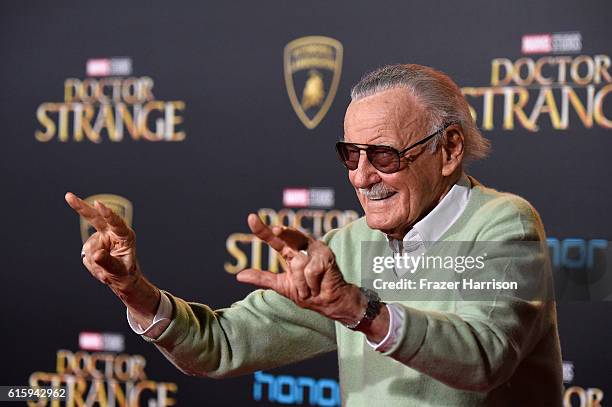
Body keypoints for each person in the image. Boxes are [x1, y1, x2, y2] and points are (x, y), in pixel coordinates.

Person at [66, 64, 563, 406]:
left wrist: (356, 309)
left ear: (449, 149)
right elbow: (220, 344)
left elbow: (484, 357)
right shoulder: (349, 245)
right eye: (352, 155)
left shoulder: (503, 223)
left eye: (384, 155)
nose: (361, 177)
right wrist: (134, 291)